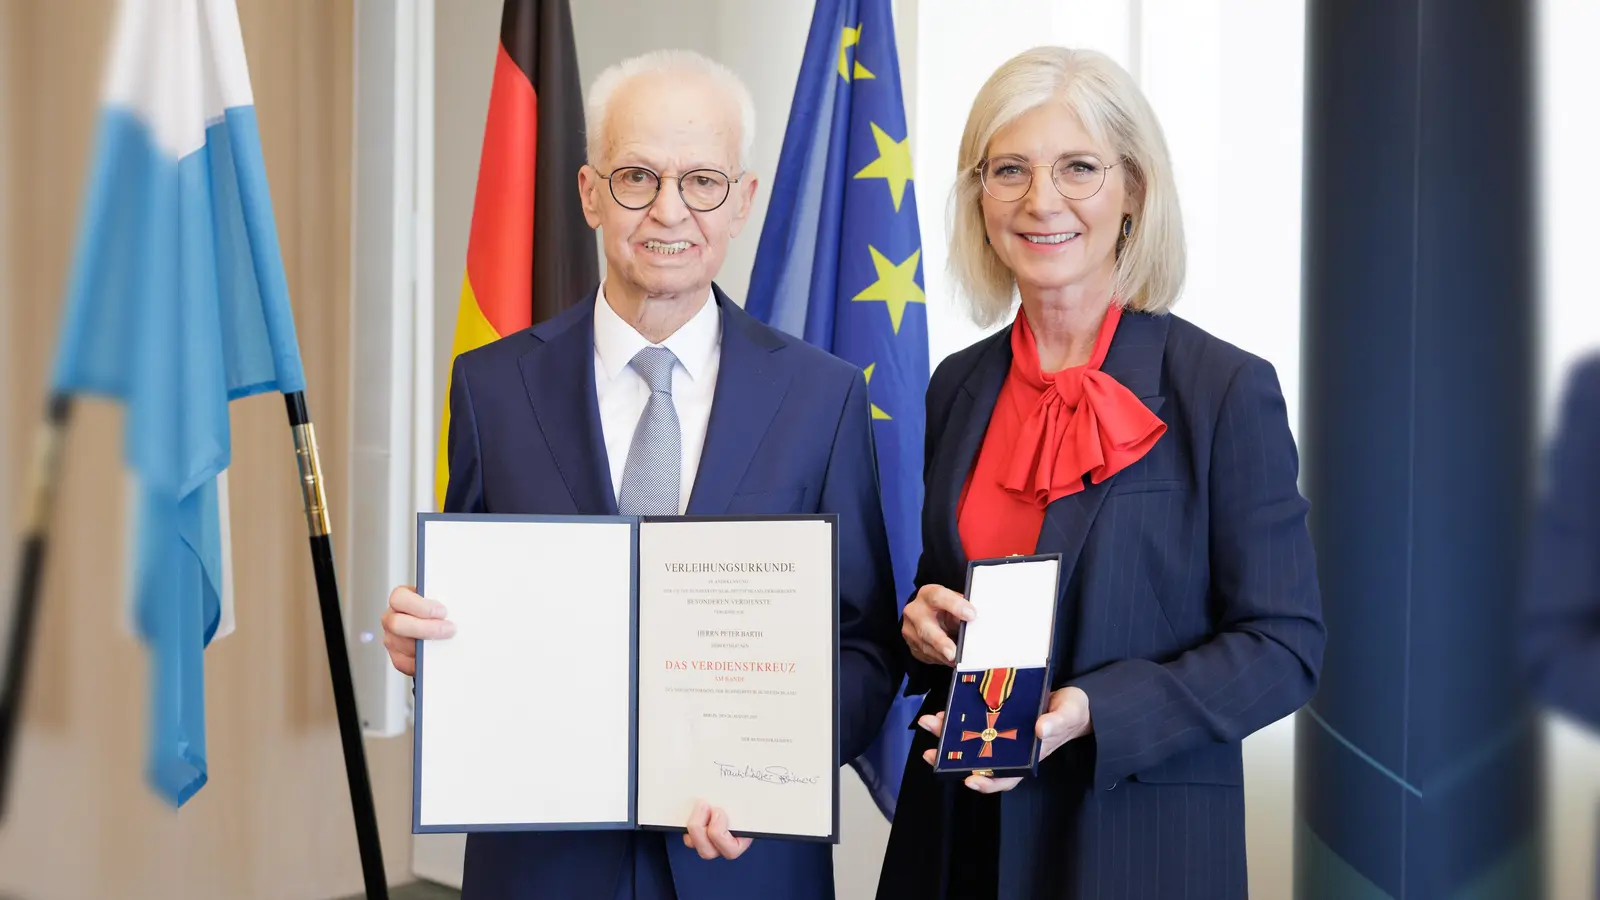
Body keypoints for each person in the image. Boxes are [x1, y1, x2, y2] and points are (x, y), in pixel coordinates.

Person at [381, 50, 901, 900]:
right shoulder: (493, 387)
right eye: (636, 177)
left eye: (702, 181)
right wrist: (424, 646)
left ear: (743, 200)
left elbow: (867, 646)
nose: (669, 210)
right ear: (589, 192)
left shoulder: (823, 397)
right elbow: (478, 621)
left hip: (745, 866)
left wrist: (770, 764)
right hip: (540, 865)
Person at [878, 46, 1326, 899]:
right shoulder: (957, 386)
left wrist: (1093, 711)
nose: (1041, 200)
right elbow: (949, 593)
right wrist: (922, 620)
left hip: (1132, 848)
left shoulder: (1223, 389)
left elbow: (1284, 646)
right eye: (1009, 169)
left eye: (1078, 167)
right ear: (979, 197)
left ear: (1134, 190)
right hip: (956, 843)